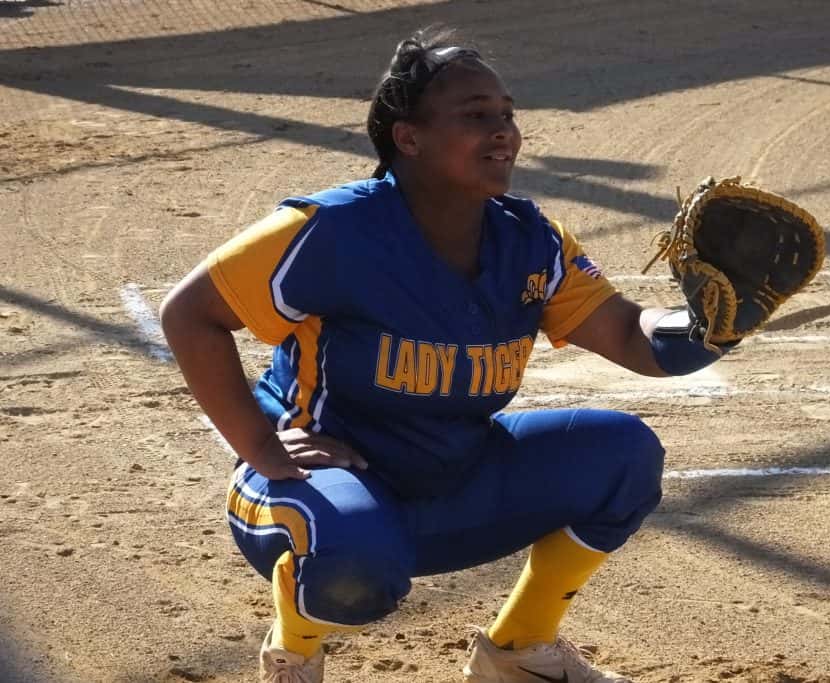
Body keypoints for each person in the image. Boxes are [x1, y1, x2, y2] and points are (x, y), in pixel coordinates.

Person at [160, 26, 731, 683]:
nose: (503, 131)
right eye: (476, 115)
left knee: (623, 456)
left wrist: (709, 324)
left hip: (456, 478)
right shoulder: (335, 231)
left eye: (507, 114)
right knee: (355, 567)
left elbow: (632, 334)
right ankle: (293, 653)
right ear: (409, 138)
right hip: (318, 492)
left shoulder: (532, 242)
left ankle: (517, 652)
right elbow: (189, 313)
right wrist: (261, 447)